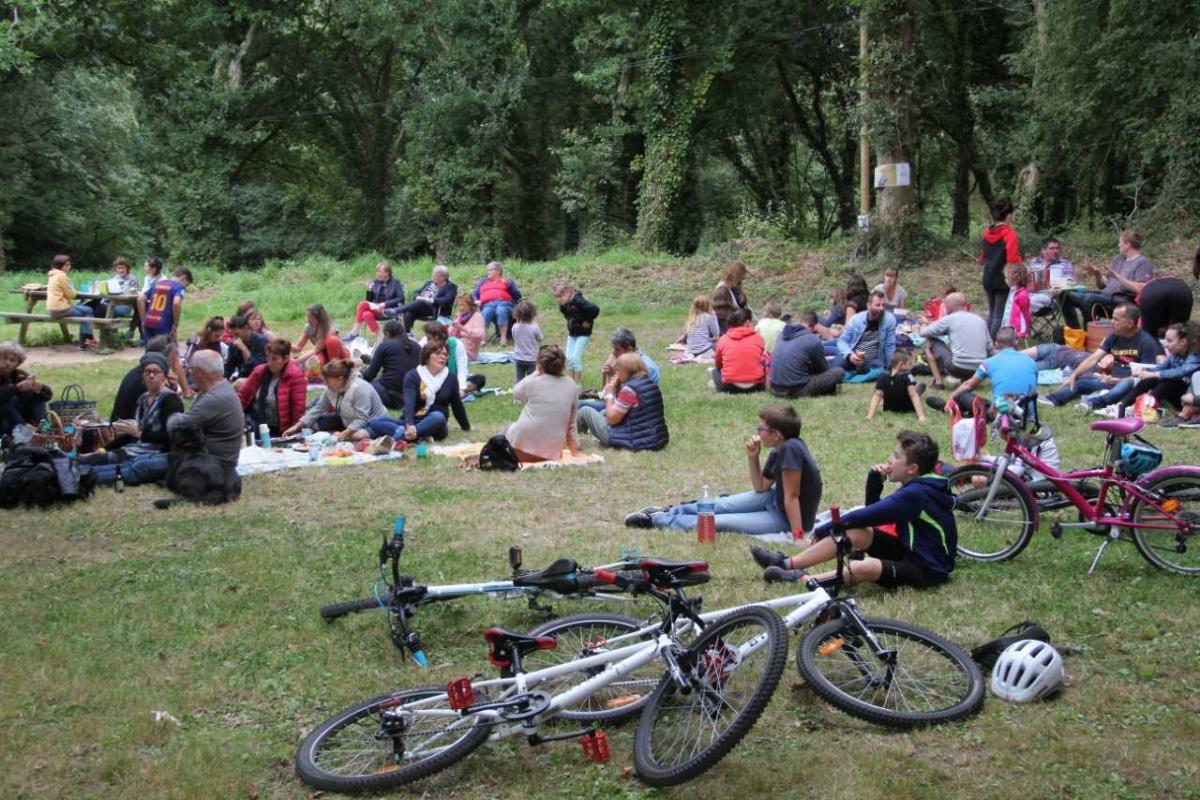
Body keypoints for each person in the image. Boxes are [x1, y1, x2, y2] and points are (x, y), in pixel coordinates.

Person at [750, 430, 957, 589]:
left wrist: (825, 529)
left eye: (896, 456)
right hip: (907, 551)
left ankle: (803, 579)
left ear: (912, 469)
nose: (889, 460)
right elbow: (874, 515)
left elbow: (866, 515)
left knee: (865, 567)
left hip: (927, 570)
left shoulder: (917, 493)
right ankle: (786, 563)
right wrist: (874, 482)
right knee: (856, 532)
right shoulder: (920, 485)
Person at [626, 404, 821, 537]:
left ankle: (657, 521)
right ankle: (668, 511)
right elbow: (761, 487)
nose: (758, 432)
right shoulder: (779, 449)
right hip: (773, 500)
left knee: (716, 521)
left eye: (761, 428)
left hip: (785, 519)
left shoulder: (790, 449)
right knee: (722, 504)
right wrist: (753, 458)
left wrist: (798, 536)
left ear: (776, 434)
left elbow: (792, 497)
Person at [1043, 303, 1164, 408]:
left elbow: (1144, 377)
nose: (1112, 322)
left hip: (1131, 384)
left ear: (1130, 323)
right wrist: (1073, 375)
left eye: (1116, 319)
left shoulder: (1146, 342)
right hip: (1110, 381)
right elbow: (1093, 358)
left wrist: (1119, 380)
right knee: (1080, 382)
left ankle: (1093, 403)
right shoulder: (1114, 336)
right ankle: (1053, 399)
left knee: (1125, 384)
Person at [80, 352, 183, 467]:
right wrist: (103, 450)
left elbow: (169, 438)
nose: (151, 376)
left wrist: (139, 433)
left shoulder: (170, 400)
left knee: (93, 465)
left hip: (155, 456)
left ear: (164, 375)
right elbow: (130, 435)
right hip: (135, 449)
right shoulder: (143, 399)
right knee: (86, 459)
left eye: (156, 372)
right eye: (147, 372)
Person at [364, 342, 470, 442]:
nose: (442, 357)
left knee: (438, 416)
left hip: (434, 423)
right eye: (438, 353)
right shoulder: (413, 376)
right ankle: (412, 435)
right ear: (427, 356)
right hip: (413, 420)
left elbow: (457, 405)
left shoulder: (450, 378)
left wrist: (466, 426)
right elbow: (409, 403)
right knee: (376, 420)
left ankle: (403, 435)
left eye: (445, 355)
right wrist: (409, 424)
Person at [503, 344, 581, 463]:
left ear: (539, 365)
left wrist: (534, 374)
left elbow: (516, 393)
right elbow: (571, 426)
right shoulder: (572, 385)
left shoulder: (533, 382)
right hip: (551, 453)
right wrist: (575, 453)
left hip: (520, 450)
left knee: (506, 430)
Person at [1061, 229, 1154, 329]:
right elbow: (1103, 286)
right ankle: (1075, 331)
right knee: (1065, 294)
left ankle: (1090, 334)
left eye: (1120, 242)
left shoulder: (1143, 262)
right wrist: (1097, 274)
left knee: (1089, 299)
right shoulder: (1119, 259)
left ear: (1127, 245)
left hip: (1124, 300)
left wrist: (1118, 276)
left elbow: (1141, 289)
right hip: (1106, 296)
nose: (1118, 245)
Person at [932, 327, 1037, 413]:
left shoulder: (989, 362)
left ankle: (948, 406)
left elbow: (968, 385)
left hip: (1002, 412)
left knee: (963, 396)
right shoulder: (1031, 362)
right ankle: (956, 408)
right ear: (1016, 341)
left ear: (996, 344)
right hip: (1027, 413)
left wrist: (951, 398)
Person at [576, 353, 668, 451]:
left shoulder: (630, 391)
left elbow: (612, 419)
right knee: (602, 412)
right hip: (654, 439)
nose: (617, 372)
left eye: (619, 369)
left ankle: (566, 435)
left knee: (585, 411)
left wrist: (610, 394)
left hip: (629, 440)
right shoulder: (648, 385)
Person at [174, 349, 245, 476]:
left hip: (213, 465)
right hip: (212, 460)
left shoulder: (214, 398)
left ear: (199, 373)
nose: (189, 373)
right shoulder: (219, 389)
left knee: (145, 466)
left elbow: (179, 426)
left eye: (191, 369)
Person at [285, 359, 386, 441]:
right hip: (346, 419)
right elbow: (318, 408)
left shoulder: (360, 388)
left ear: (340, 379)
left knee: (358, 436)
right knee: (313, 424)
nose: (325, 383)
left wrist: (344, 434)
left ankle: (348, 435)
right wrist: (298, 426)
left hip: (372, 423)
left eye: (327, 380)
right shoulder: (331, 389)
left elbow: (363, 418)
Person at [1119, 322, 1200, 419]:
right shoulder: (1174, 356)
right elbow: (1160, 368)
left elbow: (1180, 372)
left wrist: (1154, 374)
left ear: (1183, 342)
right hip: (1181, 396)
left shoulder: (1194, 356)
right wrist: (1145, 371)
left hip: (1192, 400)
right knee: (1151, 379)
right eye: (1165, 340)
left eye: (1169, 341)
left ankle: (1141, 407)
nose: (1165, 345)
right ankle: (1121, 405)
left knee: (1170, 381)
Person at [237, 338, 308, 437]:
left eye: (274, 359)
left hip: (280, 430)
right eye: (267, 357)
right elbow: (243, 396)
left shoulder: (296, 376)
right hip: (256, 423)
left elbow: (298, 409)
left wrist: (292, 433)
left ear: (286, 359)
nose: (269, 362)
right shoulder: (259, 371)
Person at [919, 292, 990, 390]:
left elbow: (923, 333)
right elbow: (990, 347)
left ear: (950, 305)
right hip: (980, 370)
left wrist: (923, 324)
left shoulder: (950, 319)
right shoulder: (980, 320)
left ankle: (938, 383)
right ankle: (968, 380)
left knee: (929, 341)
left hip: (958, 368)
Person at [770, 312, 843, 397]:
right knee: (839, 372)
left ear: (800, 322)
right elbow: (823, 369)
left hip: (775, 388)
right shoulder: (812, 340)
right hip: (795, 389)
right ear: (813, 326)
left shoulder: (781, 335)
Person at [980, 197, 1022, 337]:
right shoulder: (1009, 234)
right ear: (1008, 216)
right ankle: (992, 344)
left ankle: (986, 341)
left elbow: (982, 257)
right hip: (1002, 279)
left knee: (992, 312)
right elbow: (1012, 259)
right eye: (1013, 214)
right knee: (998, 314)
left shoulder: (986, 232)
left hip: (988, 276)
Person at [111, 336, 177, 420]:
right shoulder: (149, 381)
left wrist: (172, 388)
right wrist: (172, 391)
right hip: (131, 426)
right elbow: (165, 416)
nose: (174, 362)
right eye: (173, 357)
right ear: (163, 358)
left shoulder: (138, 372)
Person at [834, 290, 896, 377]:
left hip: (873, 360)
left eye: (883, 305)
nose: (881, 308)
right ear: (868, 305)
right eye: (877, 305)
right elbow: (842, 341)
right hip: (854, 354)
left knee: (875, 371)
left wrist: (890, 366)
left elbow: (889, 346)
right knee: (836, 365)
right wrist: (850, 355)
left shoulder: (889, 320)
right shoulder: (856, 320)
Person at [360, 319, 420, 409]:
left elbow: (370, 375)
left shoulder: (385, 346)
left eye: (384, 335)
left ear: (387, 334)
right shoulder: (417, 346)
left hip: (391, 395)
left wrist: (361, 376)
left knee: (365, 386)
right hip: (413, 396)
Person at [0, 341, 52, 438]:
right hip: (4, 420)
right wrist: (17, 388)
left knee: (37, 397)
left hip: (17, 416)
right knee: (6, 400)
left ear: (17, 364)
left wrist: (38, 387)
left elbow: (48, 396)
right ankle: (26, 431)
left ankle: (43, 429)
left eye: (12, 360)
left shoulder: (19, 375)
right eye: (4, 358)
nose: (7, 363)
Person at [343, 261, 405, 341]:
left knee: (363, 306)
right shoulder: (375, 282)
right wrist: (369, 290)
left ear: (387, 273)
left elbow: (401, 298)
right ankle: (380, 335)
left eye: (380, 272)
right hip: (377, 309)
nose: (377, 274)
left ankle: (354, 332)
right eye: (377, 271)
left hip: (390, 309)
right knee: (365, 313)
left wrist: (385, 304)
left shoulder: (395, 282)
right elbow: (369, 301)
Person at [45, 254, 97, 350]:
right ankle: (88, 340)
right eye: (67, 265)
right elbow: (71, 295)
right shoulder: (61, 276)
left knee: (85, 311)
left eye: (69, 265)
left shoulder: (52, 275)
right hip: (61, 309)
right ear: (60, 266)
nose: (69, 267)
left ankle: (85, 342)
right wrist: (73, 290)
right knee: (88, 310)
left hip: (52, 309)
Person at [710, 309, 766, 393]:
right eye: (753, 321)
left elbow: (718, 365)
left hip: (730, 386)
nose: (754, 324)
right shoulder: (759, 338)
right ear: (747, 322)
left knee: (715, 371)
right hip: (756, 386)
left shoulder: (723, 339)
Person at [555, 281, 600, 382]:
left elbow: (594, 310)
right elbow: (567, 315)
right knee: (568, 358)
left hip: (583, 334)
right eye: (556, 297)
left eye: (560, 296)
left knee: (575, 358)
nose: (558, 299)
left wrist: (587, 320)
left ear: (568, 292)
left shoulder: (578, 300)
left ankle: (577, 384)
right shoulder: (563, 305)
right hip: (572, 333)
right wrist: (572, 322)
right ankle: (571, 382)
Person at [867, 351, 928, 423]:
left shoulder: (882, 376)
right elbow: (913, 396)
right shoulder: (907, 376)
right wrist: (921, 416)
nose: (910, 367)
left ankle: (883, 401)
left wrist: (870, 416)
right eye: (909, 364)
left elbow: (877, 395)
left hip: (890, 408)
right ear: (901, 364)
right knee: (919, 389)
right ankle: (919, 387)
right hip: (906, 407)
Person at [395, 264, 458, 332]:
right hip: (420, 306)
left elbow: (448, 300)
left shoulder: (451, 287)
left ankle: (397, 310)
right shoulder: (429, 282)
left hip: (434, 309)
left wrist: (431, 300)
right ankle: (408, 333)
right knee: (409, 312)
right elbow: (416, 292)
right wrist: (418, 297)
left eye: (435, 276)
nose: (432, 277)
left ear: (442, 277)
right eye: (433, 275)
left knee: (420, 302)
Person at [472, 261, 521, 345]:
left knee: (501, 310)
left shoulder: (507, 281)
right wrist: (476, 300)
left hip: (505, 303)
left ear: (498, 271)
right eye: (487, 270)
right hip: (488, 304)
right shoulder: (483, 282)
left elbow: (517, 296)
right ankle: (483, 339)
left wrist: (509, 285)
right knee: (486, 312)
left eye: (490, 270)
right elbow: (474, 294)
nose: (488, 272)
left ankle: (503, 338)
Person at [1026, 237, 1076, 312]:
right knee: (1015, 296)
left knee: (1022, 301)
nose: (1056, 251)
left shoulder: (1064, 264)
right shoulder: (1034, 262)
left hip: (1051, 297)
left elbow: (1071, 282)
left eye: (1057, 248)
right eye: (1052, 248)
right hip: (1031, 294)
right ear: (1043, 250)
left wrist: (1058, 286)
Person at [183, 317, 227, 389]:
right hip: (195, 372)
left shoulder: (216, 343)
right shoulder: (196, 341)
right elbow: (187, 361)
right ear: (209, 331)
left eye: (220, 336)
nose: (218, 338)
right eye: (216, 336)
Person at [224, 314, 268, 381]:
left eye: (237, 334)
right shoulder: (233, 344)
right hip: (241, 377)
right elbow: (229, 367)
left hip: (259, 379)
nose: (235, 337)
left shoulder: (261, 341)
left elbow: (255, 368)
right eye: (233, 335)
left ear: (246, 328)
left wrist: (243, 348)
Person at [712, 261, 749, 333]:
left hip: (737, 321)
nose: (743, 278)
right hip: (727, 326)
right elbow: (722, 313)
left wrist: (743, 301)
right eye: (742, 277)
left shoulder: (736, 286)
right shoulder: (722, 289)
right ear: (737, 276)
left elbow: (740, 304)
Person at [511, 300, 543, 383]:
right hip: (531, 358)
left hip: (518, 357)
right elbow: (540, 339)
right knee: (531, 379)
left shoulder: (515, 326)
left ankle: (518, 391)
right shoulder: (534, 327)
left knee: (519, 378)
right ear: (532, 314)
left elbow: (514, 337)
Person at [449, 294, 486, 361]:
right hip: (457, 345)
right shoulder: (460, 316)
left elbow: (481, 335)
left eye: (463, 305)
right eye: (459, 305)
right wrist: (451, 328)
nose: (461, 308)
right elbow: (451, 333)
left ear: (470, 305)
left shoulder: (477, 316)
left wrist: (463, 329)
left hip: (468, 351)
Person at [1001, 264, 1032, 339]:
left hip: (1016, 328)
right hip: (1008, 324)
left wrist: (1027, 330)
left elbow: (1026, 314)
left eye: (1006, 278)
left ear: (1014, 279)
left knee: (1012, 342)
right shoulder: (1012, 291)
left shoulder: (1022, 295)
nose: (1005, 280)